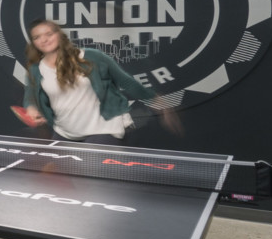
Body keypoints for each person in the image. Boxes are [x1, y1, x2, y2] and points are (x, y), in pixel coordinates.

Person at [21, 18, 171, 145]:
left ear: (59, 35)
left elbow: (126, 81)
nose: (44, 40)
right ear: (33, 42)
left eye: (49, 34)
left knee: (90, 171)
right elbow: (30, 96)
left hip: (104, 128)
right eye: (37, 37)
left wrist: (155, 99)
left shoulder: (92, 57)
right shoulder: (35, 70)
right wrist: (31, 108)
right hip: (66, 132)